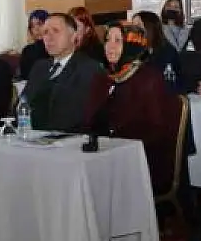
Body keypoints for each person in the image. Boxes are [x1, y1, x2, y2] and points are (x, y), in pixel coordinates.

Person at [84, 23, 183, 194]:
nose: (110, 46)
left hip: (142, 161)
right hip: (104, 155)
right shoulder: (102, 78)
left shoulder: (149, 79)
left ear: (132, 45)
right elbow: (90, 120)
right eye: (107, 40)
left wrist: (118, 147)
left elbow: (157, 132)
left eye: (118, 41)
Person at [22, 13, 104, 131]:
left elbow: (79, 115)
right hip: (33, 136)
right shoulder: (40, 67)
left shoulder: (89, 69)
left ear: (73, 36)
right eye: (45, 32)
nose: (49, 37)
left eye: (56, 31)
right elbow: (23, 104)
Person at [133, 10, 182, 91]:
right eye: (133, 27)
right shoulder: (135, 50)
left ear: (150, 27)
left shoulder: (167, 51)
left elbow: (167, 82)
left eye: (138, 25)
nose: (134, 30)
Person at [18, 9, 50, 80]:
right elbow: (25, 76)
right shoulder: (27, 50)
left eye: (40, 24)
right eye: (32, 26)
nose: (36, 29)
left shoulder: (56, 48)